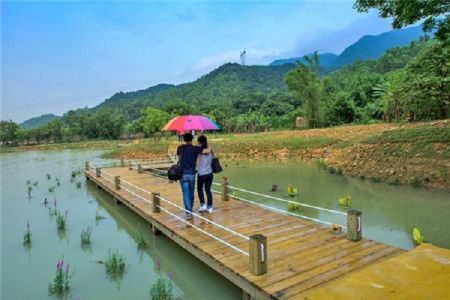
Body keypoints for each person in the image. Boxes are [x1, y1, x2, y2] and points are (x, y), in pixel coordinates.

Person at [177, 133, 209, 219]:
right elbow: (206, 151)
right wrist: (210, 146)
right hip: (191, 174)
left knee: (185, 193)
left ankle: (188, 212)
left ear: (184, 139)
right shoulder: (195, 149)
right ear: (192, 139)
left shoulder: (180, 148)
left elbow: (179, 158)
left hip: (182, 174)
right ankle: (189, 209)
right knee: (191, 193)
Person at [197, 135, 214, 213]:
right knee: (208, 190)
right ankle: (210, 207)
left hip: (201, 174)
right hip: (209, 173)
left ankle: (203, 205)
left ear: (199, 142)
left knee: (200, 189)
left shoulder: (199, 151)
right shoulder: (210, 150)